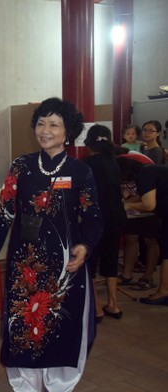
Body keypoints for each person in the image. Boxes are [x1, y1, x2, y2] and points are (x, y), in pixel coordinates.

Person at [0, 97, 103, 392]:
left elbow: (93, 219)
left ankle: (60, 386)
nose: (45, 130)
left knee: (63, 326)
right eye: (40, 123)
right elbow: (4, 212)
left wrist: (85, 246)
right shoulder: (21, 166)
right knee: (23, 326)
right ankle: (25, 386)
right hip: (26, 265)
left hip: (66, 267)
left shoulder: (81, 171)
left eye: (54, 124)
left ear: (68, 132)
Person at [82, 125, 126, 321]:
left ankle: (97, 308)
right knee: (111, 258)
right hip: (116, 216)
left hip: (95, 219)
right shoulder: (114, 162)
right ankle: (114, 304)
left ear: (89, 143)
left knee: (90, 261)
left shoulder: (86, 164)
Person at [117, 156, 168, 305]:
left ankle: (163, 293)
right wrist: (127, 202)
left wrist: (127, 207)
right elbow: (144, 195)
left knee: (167, 253)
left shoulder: (144, 175)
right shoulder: (149, 171)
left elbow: (149, 204)